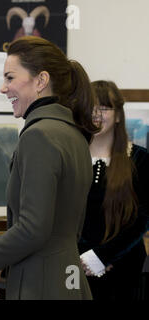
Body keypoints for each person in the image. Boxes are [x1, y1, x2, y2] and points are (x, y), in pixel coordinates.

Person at [0, 36, 98, 300]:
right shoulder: (73, 134)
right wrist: (1, 261)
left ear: (41, 81)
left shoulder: (39, 135)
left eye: (10, 78)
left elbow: (33, 228)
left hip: (41, 282)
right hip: (66, 275)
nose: (3, 88)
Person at [78, 80, 148, 300]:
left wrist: (103, 256)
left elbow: (143, 218)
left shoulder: (139, 158)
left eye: (104, 107)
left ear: (118, 115)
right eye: (91, 107)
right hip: (75, 266)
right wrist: (81, 256)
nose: (96, 113)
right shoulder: (72, 157)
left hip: (125, 269)